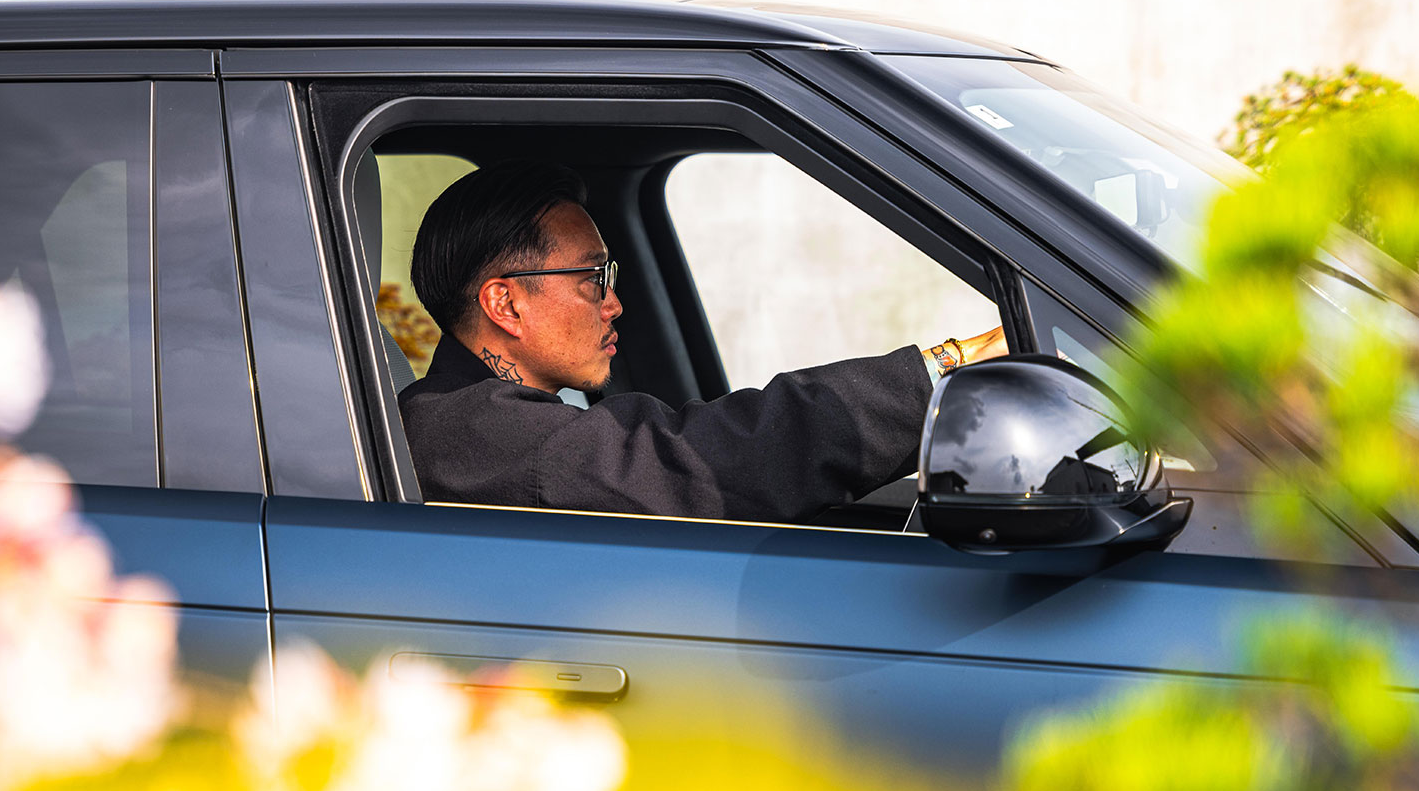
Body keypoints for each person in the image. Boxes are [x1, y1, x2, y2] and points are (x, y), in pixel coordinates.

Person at [398, 159, 1006, 521]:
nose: (614, 303)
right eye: (591, 279)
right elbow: (696, 460)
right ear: (506, 303)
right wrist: (947, 370)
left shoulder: (482, 419)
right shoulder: (469, 432)